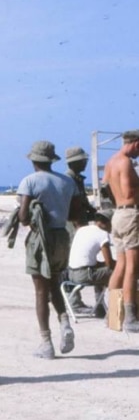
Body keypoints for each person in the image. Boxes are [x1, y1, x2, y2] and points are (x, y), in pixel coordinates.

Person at [17, 141, 79, 358]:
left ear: (34, 161)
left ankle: (46, 342)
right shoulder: (67, 182)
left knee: (41, 292)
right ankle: (65, 324)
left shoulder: (30, 181)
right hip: (62, 236)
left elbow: (24, 218)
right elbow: (73, 213)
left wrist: (34, 211)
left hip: (41, 239)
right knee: (55, 284)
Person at [102, 129, 139, 332]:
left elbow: (106, 187)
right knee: (132, 266)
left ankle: (113, 315)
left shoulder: (110, 162)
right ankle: (131, 317)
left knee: (121, 265)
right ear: (136, 143)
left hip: (117, 214)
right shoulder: (126, 162)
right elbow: (129, 191)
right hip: (130, 213)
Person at [67, 209, 114, 317]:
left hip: (71, 273)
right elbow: (110, 263)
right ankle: (116, 307)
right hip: (84, 274)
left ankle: (100, 307)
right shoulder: (102, 234)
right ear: (108, 223)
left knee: (101, 272)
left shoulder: (82, 229)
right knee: (117, 272)